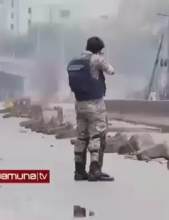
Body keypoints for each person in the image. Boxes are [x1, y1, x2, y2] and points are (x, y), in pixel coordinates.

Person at [67, 36, 115, 182]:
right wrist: (101, 58)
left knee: (81, 136)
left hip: (79, 104)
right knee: (97, 136)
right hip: (95, 105)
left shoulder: (75, 61)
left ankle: (79, 171)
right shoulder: (96, 59)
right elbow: (111, 71)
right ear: (99, 49)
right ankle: (95, 170)